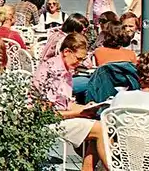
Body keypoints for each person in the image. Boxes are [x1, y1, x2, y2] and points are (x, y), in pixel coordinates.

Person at [33, 33, 108, 170]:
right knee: (102, 130)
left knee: (100, 125)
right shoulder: (55, 72)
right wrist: (79, 112)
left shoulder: (62, 68)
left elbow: (64, 103)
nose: (79, 63)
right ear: (67, 51)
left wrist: (85, 108)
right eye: (78, 59)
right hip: (45, 122)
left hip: (55, 118)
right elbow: (47, 113)